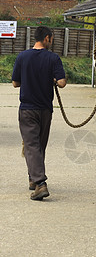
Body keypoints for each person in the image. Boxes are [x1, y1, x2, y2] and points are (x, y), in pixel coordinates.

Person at [12, 26, 66, 200]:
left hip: (27, 109)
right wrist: (52, 80)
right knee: (38, 146)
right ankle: (33, 179)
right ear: (47, 38)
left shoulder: (22, 57)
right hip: (45, 110)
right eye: (52, 39)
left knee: (32, 146)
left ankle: (40, 183)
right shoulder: (53, 58)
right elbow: (62, 83)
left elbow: (15, 83)